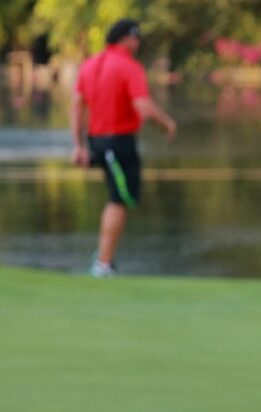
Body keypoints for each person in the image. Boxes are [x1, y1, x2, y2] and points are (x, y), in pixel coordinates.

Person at [71, 18, 176, 277]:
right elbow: (143, 106)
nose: (138, 43)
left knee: (120, 198)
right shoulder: (129, 66)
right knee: (119, 199)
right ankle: (103, 264)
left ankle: (105, 259)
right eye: (136, 38)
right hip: (118, 142)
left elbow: (77, 105)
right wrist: (167, 124)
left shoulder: (89, 64)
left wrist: (79, 146)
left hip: (98, 140)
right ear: (127, 39)